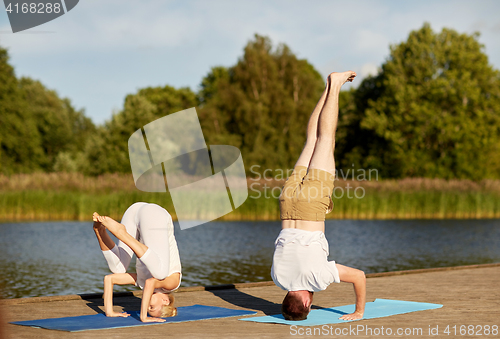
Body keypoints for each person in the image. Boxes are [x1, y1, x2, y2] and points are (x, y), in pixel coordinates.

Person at [271, 71, 366, 321]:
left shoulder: (318, 279)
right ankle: (328, 87)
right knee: (312, 139)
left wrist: (359, 311)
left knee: (326, 138)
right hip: (287, 204)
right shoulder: (278, 278)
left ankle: (334, 85)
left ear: (306, 303)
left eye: (309, 304)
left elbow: (359, 276)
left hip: (311, 206)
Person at [92, 202, 181, 323]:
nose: (147, 305)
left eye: (148, 308)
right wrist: (143, 316)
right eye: (152, 307)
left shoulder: (141, 282)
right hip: (155, 214)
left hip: (133, 212)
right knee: (160, 273)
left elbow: (109, 279)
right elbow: (151, 282)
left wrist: (109, 311)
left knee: (118, 269)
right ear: (165, 301)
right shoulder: (172, 284)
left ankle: (100, 231)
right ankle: (122, 233)